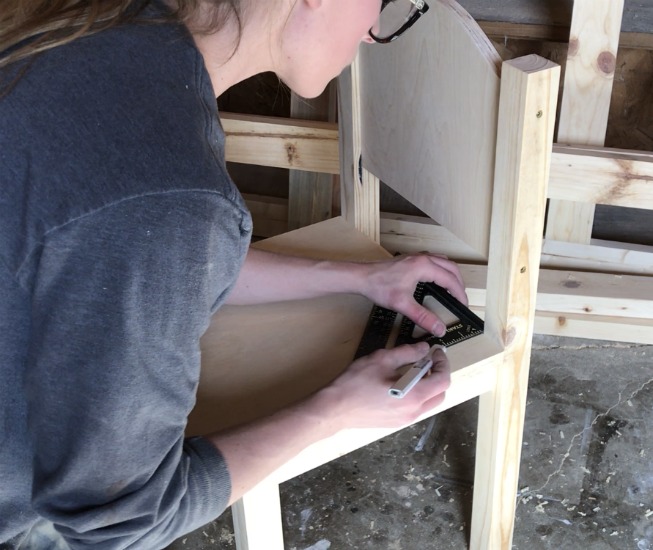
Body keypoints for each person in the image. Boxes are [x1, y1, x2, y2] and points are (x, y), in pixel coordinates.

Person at [0, 0, 466, 548]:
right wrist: (335, 410)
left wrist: (357, 277)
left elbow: (125, 258)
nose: (373, 30)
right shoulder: (165, 192)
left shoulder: (92, 28)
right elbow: (121, 521)